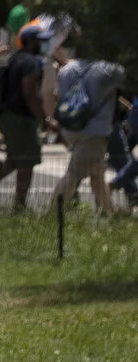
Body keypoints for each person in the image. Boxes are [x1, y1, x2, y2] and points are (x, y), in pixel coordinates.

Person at [50, 27, 123, 218]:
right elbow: (128, 79)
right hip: (94, 131)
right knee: (73, 175)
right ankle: (51, 216)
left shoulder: (67, 70)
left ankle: (108, 213)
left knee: (97, 175)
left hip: (71, 128)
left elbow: (58, 96)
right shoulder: (107, 70)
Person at [0, 23, 50, 210]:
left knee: (13, 160)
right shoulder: (30, 62)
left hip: (5, 115)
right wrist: (43, 118)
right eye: (40, 41)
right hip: (20, 117)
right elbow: (30, 93)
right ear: (30, 42)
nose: (43, 45)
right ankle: (20, 206)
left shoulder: (12, 58)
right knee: (27, 161)